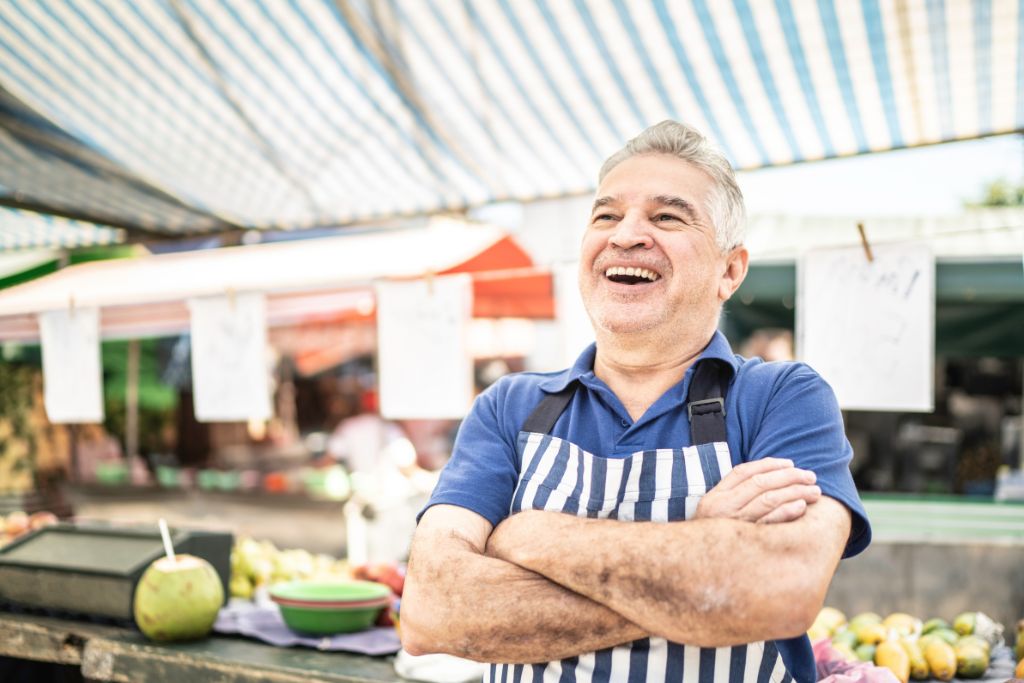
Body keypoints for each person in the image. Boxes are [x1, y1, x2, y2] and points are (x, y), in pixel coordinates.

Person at [400, 121, 871, 682]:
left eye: (667, 216)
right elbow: (434, 612)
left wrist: (534, 537)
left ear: (730, 270)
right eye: (606, 215)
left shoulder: (783, 398)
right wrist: (704, 554)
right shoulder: (510, 406)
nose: (626, 235)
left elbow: (778, 593)